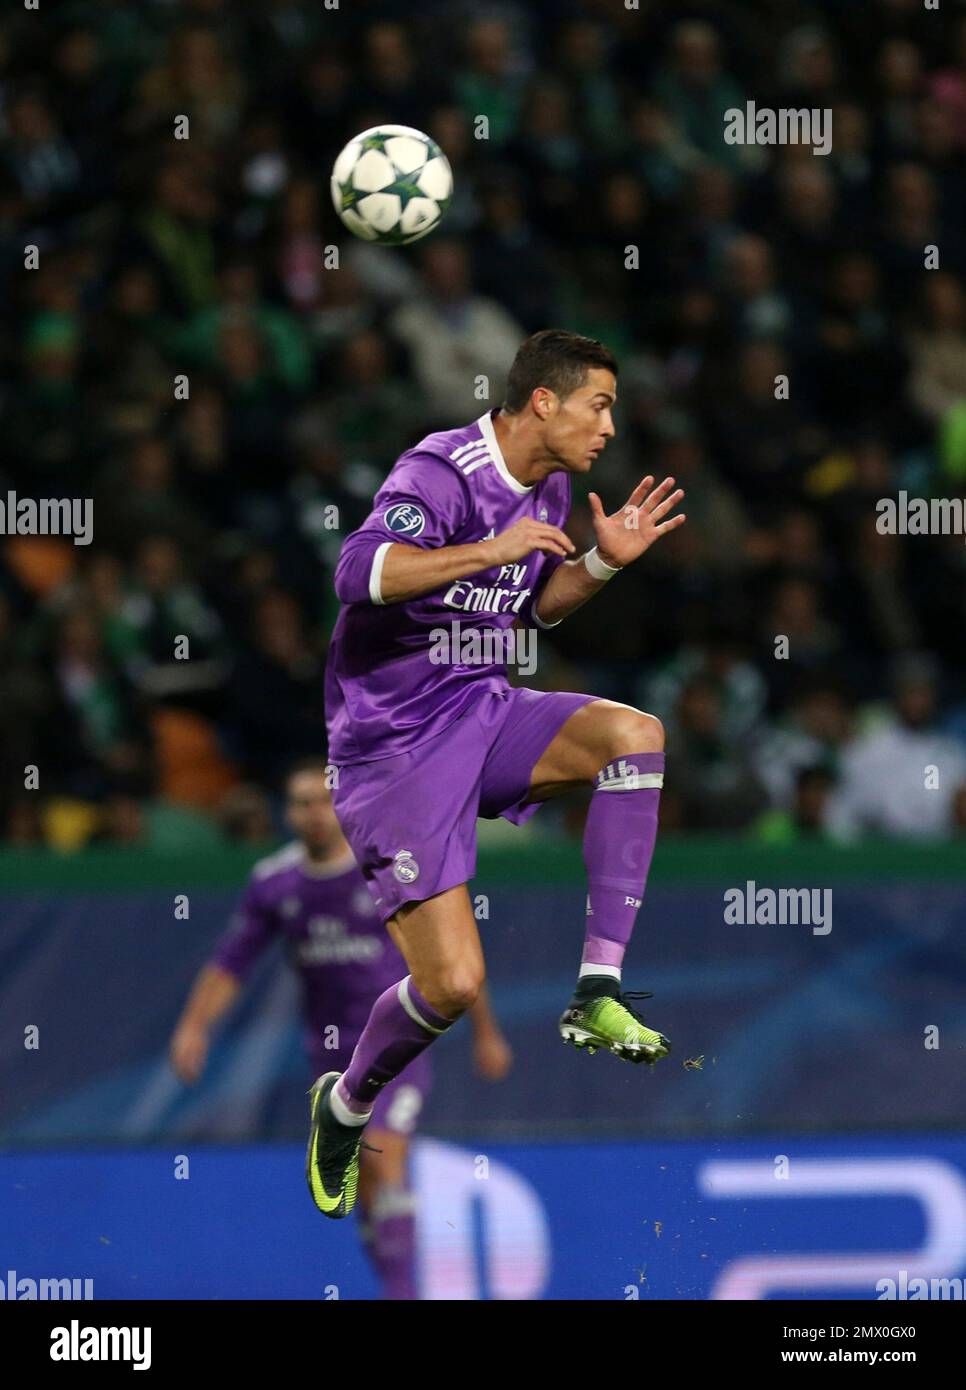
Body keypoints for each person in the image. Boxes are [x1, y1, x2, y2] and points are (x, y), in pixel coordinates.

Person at [311, 329, 686, 1219]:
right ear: (544, 402)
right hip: (391, 745)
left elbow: (532, 611)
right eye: (599, 405)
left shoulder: (552, 487)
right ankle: (347, 1104)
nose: (609, 427)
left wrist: (599, 563)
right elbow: (355, 572)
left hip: (480, 709)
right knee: (453, 987)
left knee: (635, 735)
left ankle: (597, 987)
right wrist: (484, 548)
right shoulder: (440, 471)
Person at [170, 759, 512, 1298]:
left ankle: (404, 1294)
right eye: (301, 803)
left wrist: (486, 1033)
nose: (314, 815)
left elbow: (450, 961)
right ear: (289, 812)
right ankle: (395, 1283)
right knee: (364, 1186)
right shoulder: (274, 882)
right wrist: (194, 1026)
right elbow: (230, 964)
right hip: (328, 1059)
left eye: (324, 802)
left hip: (400, 1046)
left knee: (381, 1154)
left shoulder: (387, 867)